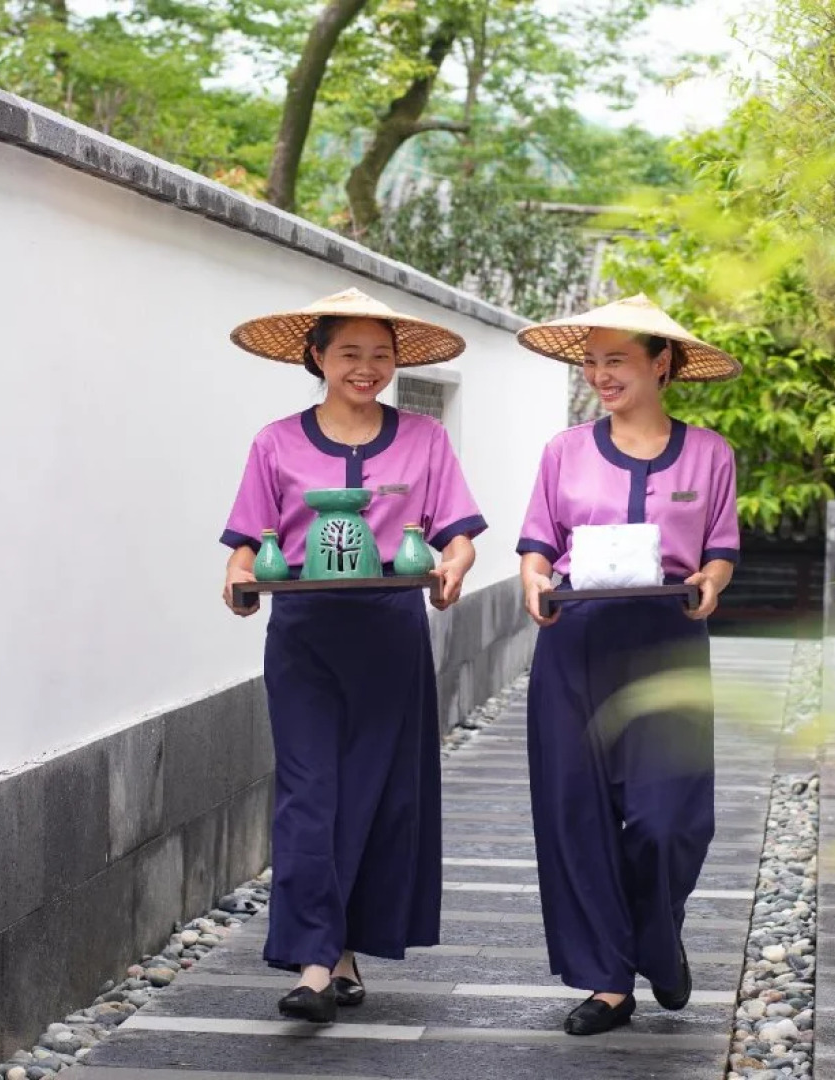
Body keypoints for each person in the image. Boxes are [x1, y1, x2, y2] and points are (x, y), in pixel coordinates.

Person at [218, 288, 487, 1023]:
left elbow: (458, 531)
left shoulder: (424, 438)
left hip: (389, 630)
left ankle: (341, 951)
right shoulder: (276, 441)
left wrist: (455, 566)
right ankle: (311, 963)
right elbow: (247, 537)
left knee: (375, 794)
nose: (366, 369)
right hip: (304, 632)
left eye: (381, 355)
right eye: (349, 354)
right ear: (316, 358)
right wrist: (238, 576)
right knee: (309, 795)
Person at [514, 294, 742, 1036]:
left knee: (666, 819)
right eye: (591, 361)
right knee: (575, 815)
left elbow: (718, 549)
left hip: (667, 639)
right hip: (575, 640)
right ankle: (608, 981)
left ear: (661, 364)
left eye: (616, 360)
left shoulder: (709, 453)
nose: (600, 375)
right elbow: (538, 544)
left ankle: (656, 933)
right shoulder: (564, 451)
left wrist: (712, 580)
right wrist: (534, 582)